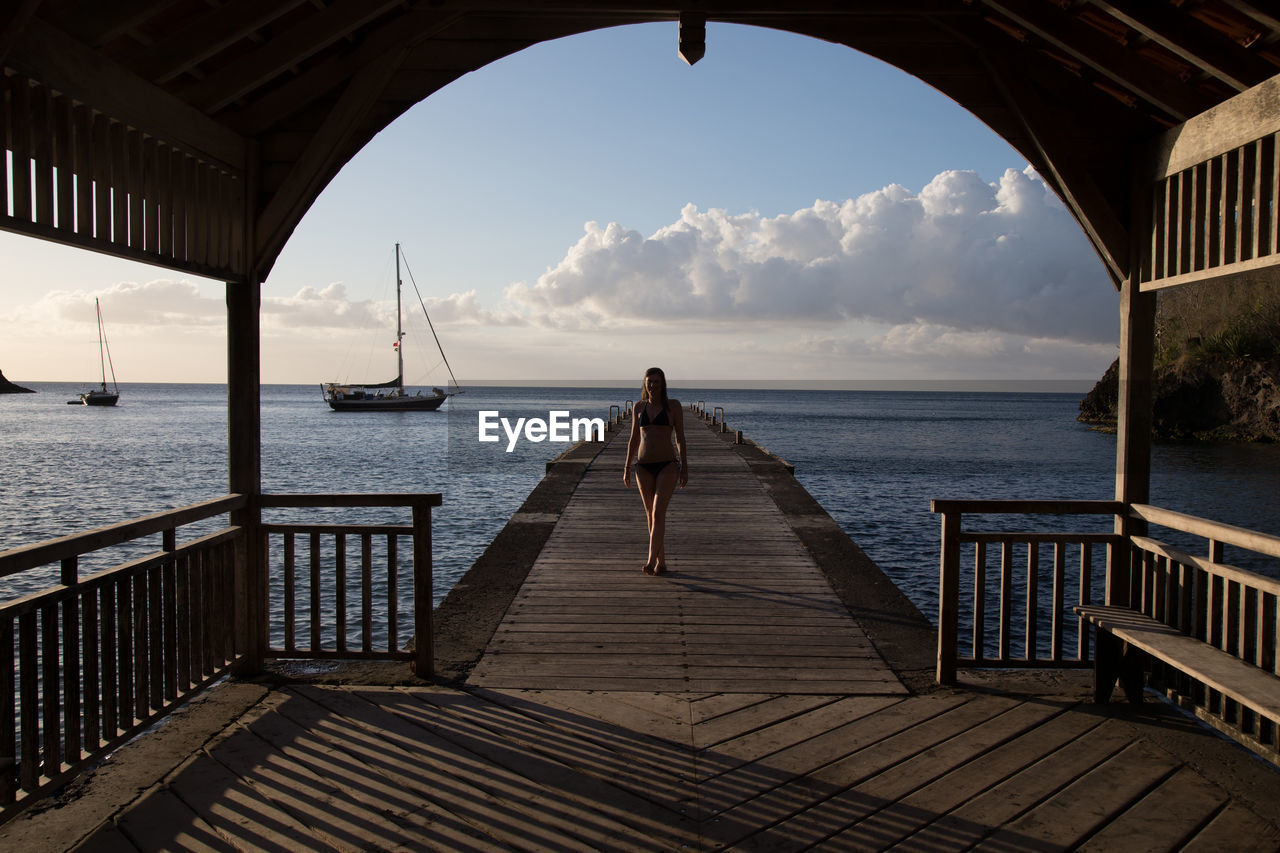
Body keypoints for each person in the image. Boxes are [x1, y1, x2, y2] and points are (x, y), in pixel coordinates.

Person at [622, 366, 688, 575]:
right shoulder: (639, 407)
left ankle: (650, 561)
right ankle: (662, 563)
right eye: (649, 382)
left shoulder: (673, 407)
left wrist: (685, 467)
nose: (652, 386)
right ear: (645, 384)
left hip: (667, 465)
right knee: (650, 515)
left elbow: (680, 438)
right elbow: (633, 439)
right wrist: (626, 467)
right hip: (643, 467)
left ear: (663, 385)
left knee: (659, 513)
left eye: (656, 382)